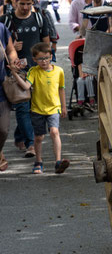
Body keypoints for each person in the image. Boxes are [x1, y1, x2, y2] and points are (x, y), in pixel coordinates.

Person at [2, 0, 51, 158]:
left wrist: (46, 63)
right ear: (15, 1)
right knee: (23, 107)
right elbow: (3, 47)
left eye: (28, 4)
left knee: (33, 108)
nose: (25, 7)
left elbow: (46, 43)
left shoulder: (39, 18)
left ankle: (19, 135)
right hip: (17, 72)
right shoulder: (5, 21)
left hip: (37, 70)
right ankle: (31, 144)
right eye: (22, 4)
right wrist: (12, 48)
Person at [24, 42, 67, 174]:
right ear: (34, 60)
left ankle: (58, 162)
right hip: (37, 109)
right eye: (40, 59)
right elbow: (26, 86)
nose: (44, 61)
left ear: (51, 56)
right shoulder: (33, 71)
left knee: (54, 132)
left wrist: (64, 107)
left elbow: (61, 90)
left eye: (47, 58)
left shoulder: (59, 71)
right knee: (39, 137)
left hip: (54, 108)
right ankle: (38, 161)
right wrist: (15, 74)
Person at [0, 20, 20, 172]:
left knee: (3, 129)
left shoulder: (1, 28)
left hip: (2, 88)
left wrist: (14, 60)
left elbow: (10, 50)